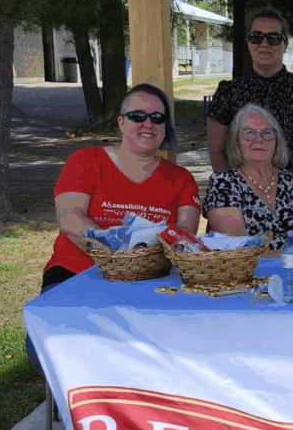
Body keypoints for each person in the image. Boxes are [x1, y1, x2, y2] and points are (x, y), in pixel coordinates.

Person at [41, 83, 202, 292]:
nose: (148, 124)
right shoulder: (85, 161)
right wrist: (117, 252)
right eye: (137, 116)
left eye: (157, 118)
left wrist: (140, 261)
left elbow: (184, 235)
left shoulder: (181, 178)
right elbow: (69, 219)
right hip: (78, 271)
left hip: (152, 279)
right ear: (121, 122)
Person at [206, 8, 293, 182]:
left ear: (285, 44)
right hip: (240, 193)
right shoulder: (228, 93)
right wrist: (232, 190)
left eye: (274, 38)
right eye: (256, 37)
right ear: (248, 42)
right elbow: (216, 151)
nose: (264, 44)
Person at [203, 103, 293, 258]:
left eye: (267, 133)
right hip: (252, 271)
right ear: (236, 141)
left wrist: (279, 256)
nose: (258, 140)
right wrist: (285, 256)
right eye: (249, 133)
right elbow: (238, 247)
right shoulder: (223, 183)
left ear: (276, 141)